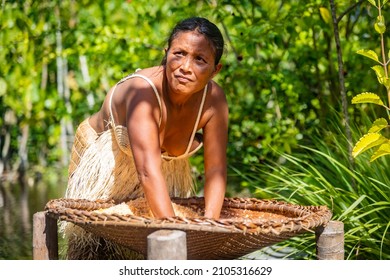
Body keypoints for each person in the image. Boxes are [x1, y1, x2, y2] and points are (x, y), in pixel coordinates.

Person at [62, 17, 228, 259]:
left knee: (147, 256)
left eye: (199, 59)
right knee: (94, 251)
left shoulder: (214, 102)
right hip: (106, 165)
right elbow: (148, 171)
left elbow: (215, 170)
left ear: (215, 70)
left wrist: (208, 229)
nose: (185, 67)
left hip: (158, 174)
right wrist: (175, 233)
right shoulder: (142, 93)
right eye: (179, 54)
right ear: (166, 53)